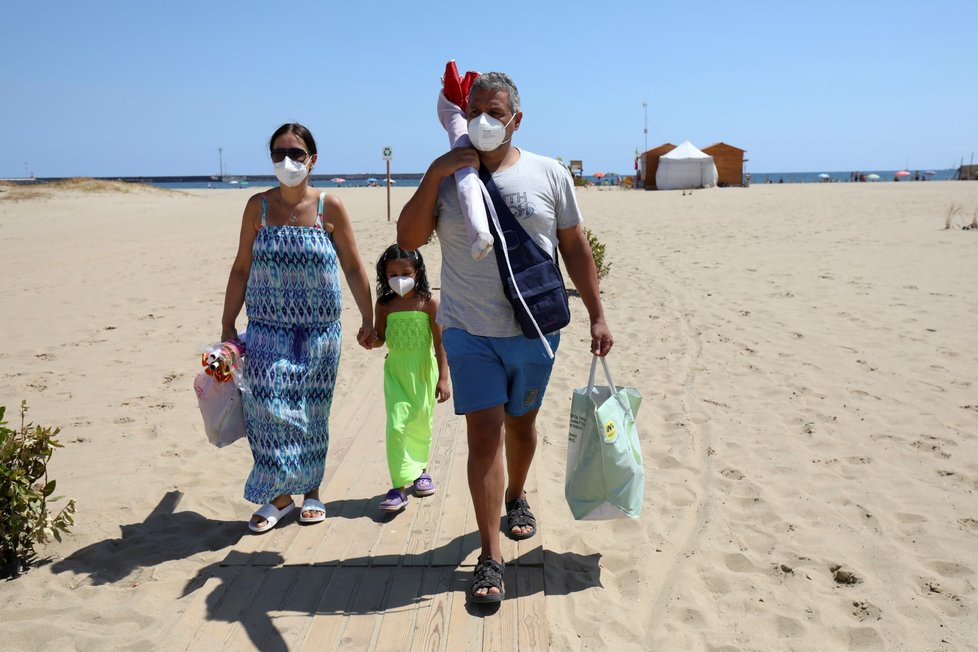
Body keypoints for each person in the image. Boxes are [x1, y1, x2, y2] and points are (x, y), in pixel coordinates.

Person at [397, 72, 613, 603]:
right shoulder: (448, 176)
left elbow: (575, 248)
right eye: (475, 111)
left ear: (517, 118)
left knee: (522, 427)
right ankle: (491, 557)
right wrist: (438, 170)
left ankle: (516, 495)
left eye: (495, 112)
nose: (483, 122)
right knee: (485, 434)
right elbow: (407, 238)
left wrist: (598, 315)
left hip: (534, 331)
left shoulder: (549, 173)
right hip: (469, 331)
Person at [221, 122, 375, 534]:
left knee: (311, 413)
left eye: (296, 153)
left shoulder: (330, 207)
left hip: (319, 332)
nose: (287, 162)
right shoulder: (258, 207)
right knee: (266, 410)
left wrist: (369, 318)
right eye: (278, 154)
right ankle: (278, 495)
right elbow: (241, 267)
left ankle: (311, 493)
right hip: (267, 329)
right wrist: (227, 324)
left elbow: (354, 266)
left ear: (313, 159)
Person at [370, 245, 450, 512]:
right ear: (384, 275)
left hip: (424, 371)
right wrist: (370, 340)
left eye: (405, 272)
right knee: (396, 426)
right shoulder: (384, 304)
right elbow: (380, 338)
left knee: (420, 423)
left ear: (418, 272)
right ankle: (398, 487)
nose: (399, 277)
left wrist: (443, 378)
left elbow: (440, 344)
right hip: (396, 372)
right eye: (392, 273)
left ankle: (421, 472)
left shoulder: (429, 302)